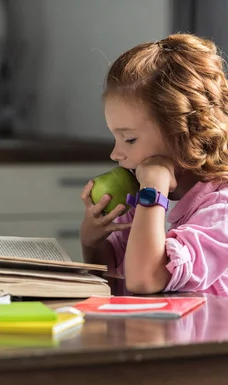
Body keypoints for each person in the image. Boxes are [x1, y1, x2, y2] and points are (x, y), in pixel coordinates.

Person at [80, 33, 228, 295]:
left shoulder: (220, 211)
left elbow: (144, 279)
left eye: (130, 139)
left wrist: (154, 191)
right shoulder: (140, 197)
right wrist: (92, 239)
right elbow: (111, 281)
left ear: (183, 133)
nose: (116, 154)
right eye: (115, 137)